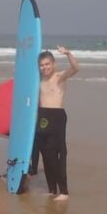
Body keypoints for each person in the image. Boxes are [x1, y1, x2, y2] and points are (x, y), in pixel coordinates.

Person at [32, 46, 79, 201]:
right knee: (45, 155)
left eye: (47, 64)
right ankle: (52, 189)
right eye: (42, 65)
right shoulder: (39, 79)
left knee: (56, 155)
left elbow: (75, 68)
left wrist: (68, 53)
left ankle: (64, 192)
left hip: (56, 116)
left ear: (54, 64)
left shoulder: (59, 77)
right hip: (42, 115)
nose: (44, 67)